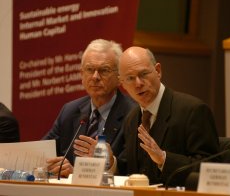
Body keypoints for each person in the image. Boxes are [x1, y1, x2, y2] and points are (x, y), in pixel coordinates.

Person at [115, 46, 220, 187]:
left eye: (143, 74)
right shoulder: (131, 119)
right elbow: (131, 170)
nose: (138, 83)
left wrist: (164, 159)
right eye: (130, 78)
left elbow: (211, 168)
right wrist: (111, 162)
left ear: (158, 71)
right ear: (122, 84)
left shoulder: (193, 110)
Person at [43, 39, 136, 177]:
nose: (95, 77)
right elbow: (43, 150)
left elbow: (132, 168)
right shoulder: (70, 111)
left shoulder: (133, 114)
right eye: (90, 69)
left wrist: (110, 164)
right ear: (81, 75)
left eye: (104, 70)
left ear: (119, 77)